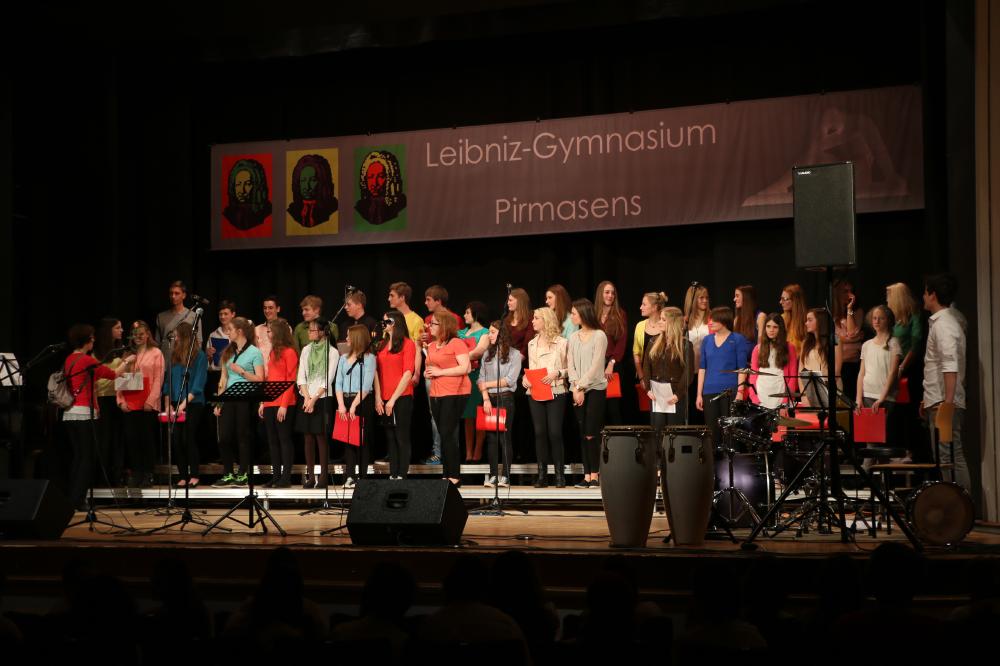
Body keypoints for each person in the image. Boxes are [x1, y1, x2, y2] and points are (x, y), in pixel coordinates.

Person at [62, 324, 132, 509]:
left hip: (69, 413)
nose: (94, 339)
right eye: (92, 337)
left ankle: (73, 497)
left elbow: (90, 384)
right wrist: (127, 361)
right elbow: (114, 374)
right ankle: (78, 499)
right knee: (86, 458)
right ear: (86, 340)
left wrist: (97, 405)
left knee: (78, 457)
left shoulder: (69, 359)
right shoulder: (87, 360)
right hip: (84, 413)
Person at [921, 273, 970, 491]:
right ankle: (955, 503)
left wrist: (947, 404)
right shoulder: (946, 321)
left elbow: (950, 365)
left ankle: (958, 504)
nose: (923, 297)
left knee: (950, 456)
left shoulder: (944, 324)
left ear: (932, 295)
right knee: (946, 456)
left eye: (925, 292)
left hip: (944, 402)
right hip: (939, 400)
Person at [210, 317, 264, 487]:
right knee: (224, 437)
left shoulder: (254, 352)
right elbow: (223, 379)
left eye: (230, 330)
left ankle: (242, 474)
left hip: (245, 399)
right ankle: (228, 473)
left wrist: (242, 372)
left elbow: (260, 379)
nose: (228, 332)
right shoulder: (228, 351)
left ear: (239, 331)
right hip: (228, 398)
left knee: (243, 436)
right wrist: (219, 403)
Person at [424, 310, 472, 486]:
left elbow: (465, 368)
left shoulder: (456, 343)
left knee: (447, 432)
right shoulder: (431, 346)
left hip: (455, 392)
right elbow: (430, 367)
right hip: (436, 393)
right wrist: (428, 373)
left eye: (433, 323)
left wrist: (440, 372)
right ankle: (446, 474)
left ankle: (454, 475)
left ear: (444, 325)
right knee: (443, 433)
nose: (430, 326)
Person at [524, 307, 568, 488]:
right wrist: (525, 379)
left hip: (556, 390)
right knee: (540, 433)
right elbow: (532, 368)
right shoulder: (531, 344)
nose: (533, 321)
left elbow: (570, 369)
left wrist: (558, 373)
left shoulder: (562, 343)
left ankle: (559, 475)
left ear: (546, 320)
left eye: (536, 318)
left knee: (555, 433)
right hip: (536, 392)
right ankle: (542, 475)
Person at [117, 320, 164, 488]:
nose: (138, 337)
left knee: (146, 439)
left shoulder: (156, 353)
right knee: (132, 439)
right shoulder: (128, 354)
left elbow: (158, 379)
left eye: (141, 334)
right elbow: (119, 378)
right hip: (130, 403)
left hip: (147, 403)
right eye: (135, 334)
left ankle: (148, 473)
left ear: (148, 334)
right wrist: (120, 401)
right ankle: (136, 473)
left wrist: (151, 401)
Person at [420, 285, 464, 464]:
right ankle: (438, 452)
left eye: (429, 299)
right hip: (433, 376)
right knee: (435, 416)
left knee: (450, 418)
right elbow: (429, 351)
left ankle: (451, 454)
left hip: (450, 379)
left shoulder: (454, 319)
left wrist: (441, 370)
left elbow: (460, 354)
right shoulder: (428, 320)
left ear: (438, 301)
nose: (425, 303)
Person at [696, 307, 752, 447]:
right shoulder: (707, 340)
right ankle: (713, 460)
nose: (710, 322)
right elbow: (702, 368)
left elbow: (742, 368)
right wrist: (699, 394)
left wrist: (740, 392)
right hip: (709, 392)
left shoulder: (737, 339)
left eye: (714, 320)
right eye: (710, 319)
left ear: (724, 321)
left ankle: (730, 460)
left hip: (730, 392)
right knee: (712, 432)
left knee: (730, 432)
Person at [295, 316, 339, 488]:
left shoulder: (332, 352)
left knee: (321, 437)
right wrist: (306, 397)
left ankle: (324, 477)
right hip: (307, 397)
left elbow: (328, 379)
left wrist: (314, 399)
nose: (309, 333)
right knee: (308, 437)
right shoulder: (306, 350)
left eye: (312, 330)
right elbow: (301, 376)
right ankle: (311, 476)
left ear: (322, 332)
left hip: (322, 398)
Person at [567, 299, 608, 488]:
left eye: (574, 313)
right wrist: (576, 387)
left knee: (592, 433)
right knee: (583, 433)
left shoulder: (599, 335)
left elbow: (596, 366)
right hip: (577, 389)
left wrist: (581, 387)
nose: (572, 316)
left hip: (595, 389)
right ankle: (586, 475)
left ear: (583, 314)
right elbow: (570, 364)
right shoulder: (573, 337)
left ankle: (595, 475)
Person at [161, 322, 207, 488]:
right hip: (175, 402)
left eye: (177, 336)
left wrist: (183, 405)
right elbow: (167, 383)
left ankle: (194, 475)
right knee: (176, 440)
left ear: (184, 337)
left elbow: (198, 384)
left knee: (188, 437)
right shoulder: (174, 356)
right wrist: (168, 405)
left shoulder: (199, 356)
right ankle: (182, 475)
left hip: (193, 402)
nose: (175, 339)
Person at [478, 320, 522, 487]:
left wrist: (487, 385)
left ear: (501, 333)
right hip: (490, 400)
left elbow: (510, 380)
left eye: (492, 332)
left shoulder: (514, 355)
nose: (489, 335)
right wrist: (485, 398)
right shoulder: (487, 354)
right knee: (491, 438)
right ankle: (493, 475)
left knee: (504, 437)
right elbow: (480, 378)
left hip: (505, 399)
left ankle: (506, 476)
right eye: (489, 332)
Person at [374, 310, 416, 480]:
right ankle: (393, 473)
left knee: (401, 436)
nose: (383, 324)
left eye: (387, 321)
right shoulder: (382, 345)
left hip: (401, 396)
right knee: (390, 436)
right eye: (383, 321)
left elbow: (408, 373)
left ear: (395, 323)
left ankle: (402, 473)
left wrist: (392, 399)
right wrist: (378, 397)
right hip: (384, 396)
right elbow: (376, 373)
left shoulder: (408, 344)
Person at [886, 281, 926, 460]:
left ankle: (911, 451)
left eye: (889, 296)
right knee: (894, 411)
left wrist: (903, 366)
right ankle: (897, 450)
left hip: (908, 369)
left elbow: (916, 344)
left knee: (908, 411)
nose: (887, 300)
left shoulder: (913, 315)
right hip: (893, 367)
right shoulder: (892, 319)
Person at [258, 318, 298, 488]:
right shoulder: (273, 352)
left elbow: (290, 380)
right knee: (272, 441)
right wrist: (263, 402)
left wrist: (283, 405)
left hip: (284, 403)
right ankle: (276, 476)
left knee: (284, 439)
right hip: (270, 403)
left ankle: (286, 478)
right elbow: (270, 379)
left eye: (270, 330)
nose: (268, 333)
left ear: (278, 332)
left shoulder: (289, 352)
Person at [336, 325, 377, 488]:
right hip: (345, 401)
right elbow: (338, 382)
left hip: (362, 401)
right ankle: (350, 476)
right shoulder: (343, 358)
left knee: (362, 440)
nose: (346, 339)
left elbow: (366, 386)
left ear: (357, 338)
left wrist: (353, 405)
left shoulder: (369, 358)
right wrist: (341, 404)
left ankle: (363, 477)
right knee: (348, 441)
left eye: (349, 336)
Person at [856, 305, 902, 450]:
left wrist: (882, 398)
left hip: (884, 397)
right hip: (867, 395)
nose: (876, 321)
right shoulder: (867, 345)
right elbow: (861, 373)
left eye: (880, 318)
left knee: (876, 442)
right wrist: (858, 398)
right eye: (874, 318)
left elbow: (893, 372)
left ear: (887, 320)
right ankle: (870, 464)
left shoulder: (893, 343)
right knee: (871, 441)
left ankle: (869, 464)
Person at [641, 307, 693, 427]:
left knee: (673, 432)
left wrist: (678, 394)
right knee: (657, 430)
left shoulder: (685, 345)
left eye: (663, 320)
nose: (659, 322)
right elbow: (646, 366)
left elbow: (688, 372)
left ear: (673, 323)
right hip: (656, 394)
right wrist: (648, 389)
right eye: (660, 319)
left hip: (675, 395)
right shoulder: (653, 342)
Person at [93, 317, 126, 486]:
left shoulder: (121, 349)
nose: (121, 330)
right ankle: (102, 477)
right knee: (104, 439)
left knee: (118, 439)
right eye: (118, 328)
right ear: (109, 331)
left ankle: (116, 476)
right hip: (102, 399)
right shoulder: (96, 353)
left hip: (118, 398)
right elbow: (97, 380)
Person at [458, 301, 490, 462]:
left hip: (478, 376)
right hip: (463, 377)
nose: (464, 315)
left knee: (479, 414)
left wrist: (460, 358)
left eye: (467, 312)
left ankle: (478, 450)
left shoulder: (485, 332)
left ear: (476, 314)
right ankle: (468, 452)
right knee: (467, 416)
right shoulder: (461, 333)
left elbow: (479, 351)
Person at [749, 313, 799, 410]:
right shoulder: (757, 349)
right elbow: (753, 376)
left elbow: (793, 378)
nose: (771, 330)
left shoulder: (789, 348)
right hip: (761, 397)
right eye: (768, 326)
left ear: (781, 329)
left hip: (780, 396)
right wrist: (755, 398)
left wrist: (785, 401)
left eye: (775, 327)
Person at [594, 280, 628, 425]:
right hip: (595, 365)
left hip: (612, 364)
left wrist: (611, 363)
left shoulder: (620, 314)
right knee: (597, 408)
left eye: (613, 293)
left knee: (613, 408)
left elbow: (622, 342)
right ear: (600, 294)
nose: (610, 296)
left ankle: (617, 439)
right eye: (607, 292)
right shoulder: (593, 314)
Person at [799, 308, 844, 414]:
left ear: (820, 321)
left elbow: (836, 370)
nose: (806, 323)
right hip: (810, 391)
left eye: (810, 320)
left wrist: (821, 392)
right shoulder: (806, 342)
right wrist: (804, 394)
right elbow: (800, 371)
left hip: (830, 390)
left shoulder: (835, 340)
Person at [834, 278, 866, 401]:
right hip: (837, 363)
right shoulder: (832, 313)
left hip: (852, 363)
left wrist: (849, 310)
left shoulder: (857, 311)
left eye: (851, 291)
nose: (850, 294)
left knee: (849, 399)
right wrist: (854, 338)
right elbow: (833, 338)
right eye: (845, 291)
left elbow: (851, 333)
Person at [286, 153, 338, 227]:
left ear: (321, 182)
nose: (307, 187)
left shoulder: (332, 209)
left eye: (313, 180)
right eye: (303, 180)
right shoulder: (293, 211)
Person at [155, 280, 203, 359]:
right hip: (165, 361)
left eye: (177, 293)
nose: (173, 296)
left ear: (184, 295)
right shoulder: (161, 317)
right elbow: (157, 343)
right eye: (171, 293)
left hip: (184, 361)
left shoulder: (194, 316)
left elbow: (198, 342)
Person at [387, 282, 424, 383]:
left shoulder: (417, 320)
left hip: (406, 368)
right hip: (389, 367)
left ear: (402, 297)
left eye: (392, 296)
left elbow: (418, 349)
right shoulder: (389, 319)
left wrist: (417, 373)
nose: (389, 299)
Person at [223, 158, 272, 230]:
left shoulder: (266, 212)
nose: (242, 190)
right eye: (238, 184)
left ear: (256, 186)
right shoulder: (229, 214)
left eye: (247, 184)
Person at [632, 291, 668, 387]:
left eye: (644, 304)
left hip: (663, 378)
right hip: (645, 376)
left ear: (654, 307)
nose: (641, 307)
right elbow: (636, 353)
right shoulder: (640, 326)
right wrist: (641, 377)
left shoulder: (665, 325)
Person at [254, 295, 296, 372]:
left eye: (270, 308)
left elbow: (287, 352)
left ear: (278, 309)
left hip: (278, 373)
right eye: (265, 308)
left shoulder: (285, 328)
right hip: (260, 373)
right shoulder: (257, 329)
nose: (267, 311)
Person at [206, 300, 236, 398]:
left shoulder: (239, 333)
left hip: (235, 374)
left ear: (233, 314)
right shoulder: (213, 335)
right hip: (218, 374)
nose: (222, 317)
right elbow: (210, 365)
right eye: (220, 314)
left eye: (226, 314)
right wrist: (209, 355)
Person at [780, 284, 808, 356]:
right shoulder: (782, 318)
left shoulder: (807, 320)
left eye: (784, 299)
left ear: (795, 301)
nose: (780, 302)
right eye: (781, 299)